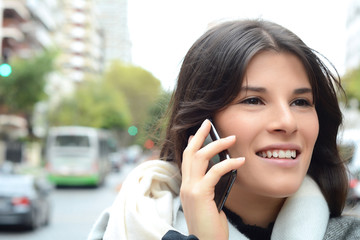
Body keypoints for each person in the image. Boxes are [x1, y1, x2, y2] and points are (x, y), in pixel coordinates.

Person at [87, 19, 360, 240]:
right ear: (201, 126)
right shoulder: (128, 226)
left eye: (301, 102)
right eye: (253, 100)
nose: (287, 122)